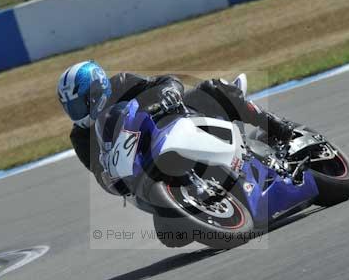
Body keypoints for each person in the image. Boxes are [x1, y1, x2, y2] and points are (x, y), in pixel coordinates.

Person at [57, 60, 293, 194]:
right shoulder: (80, 137)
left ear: (98, 90)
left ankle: (277, 127)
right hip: (144, 166)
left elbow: (166, 81)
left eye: (81, 103)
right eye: (72, 107)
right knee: (171, 235)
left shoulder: (121, 83)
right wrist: (109, 180)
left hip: (173, 122)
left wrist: (168, 93)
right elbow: (99, 171)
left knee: (215, 88)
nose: (78, 112)